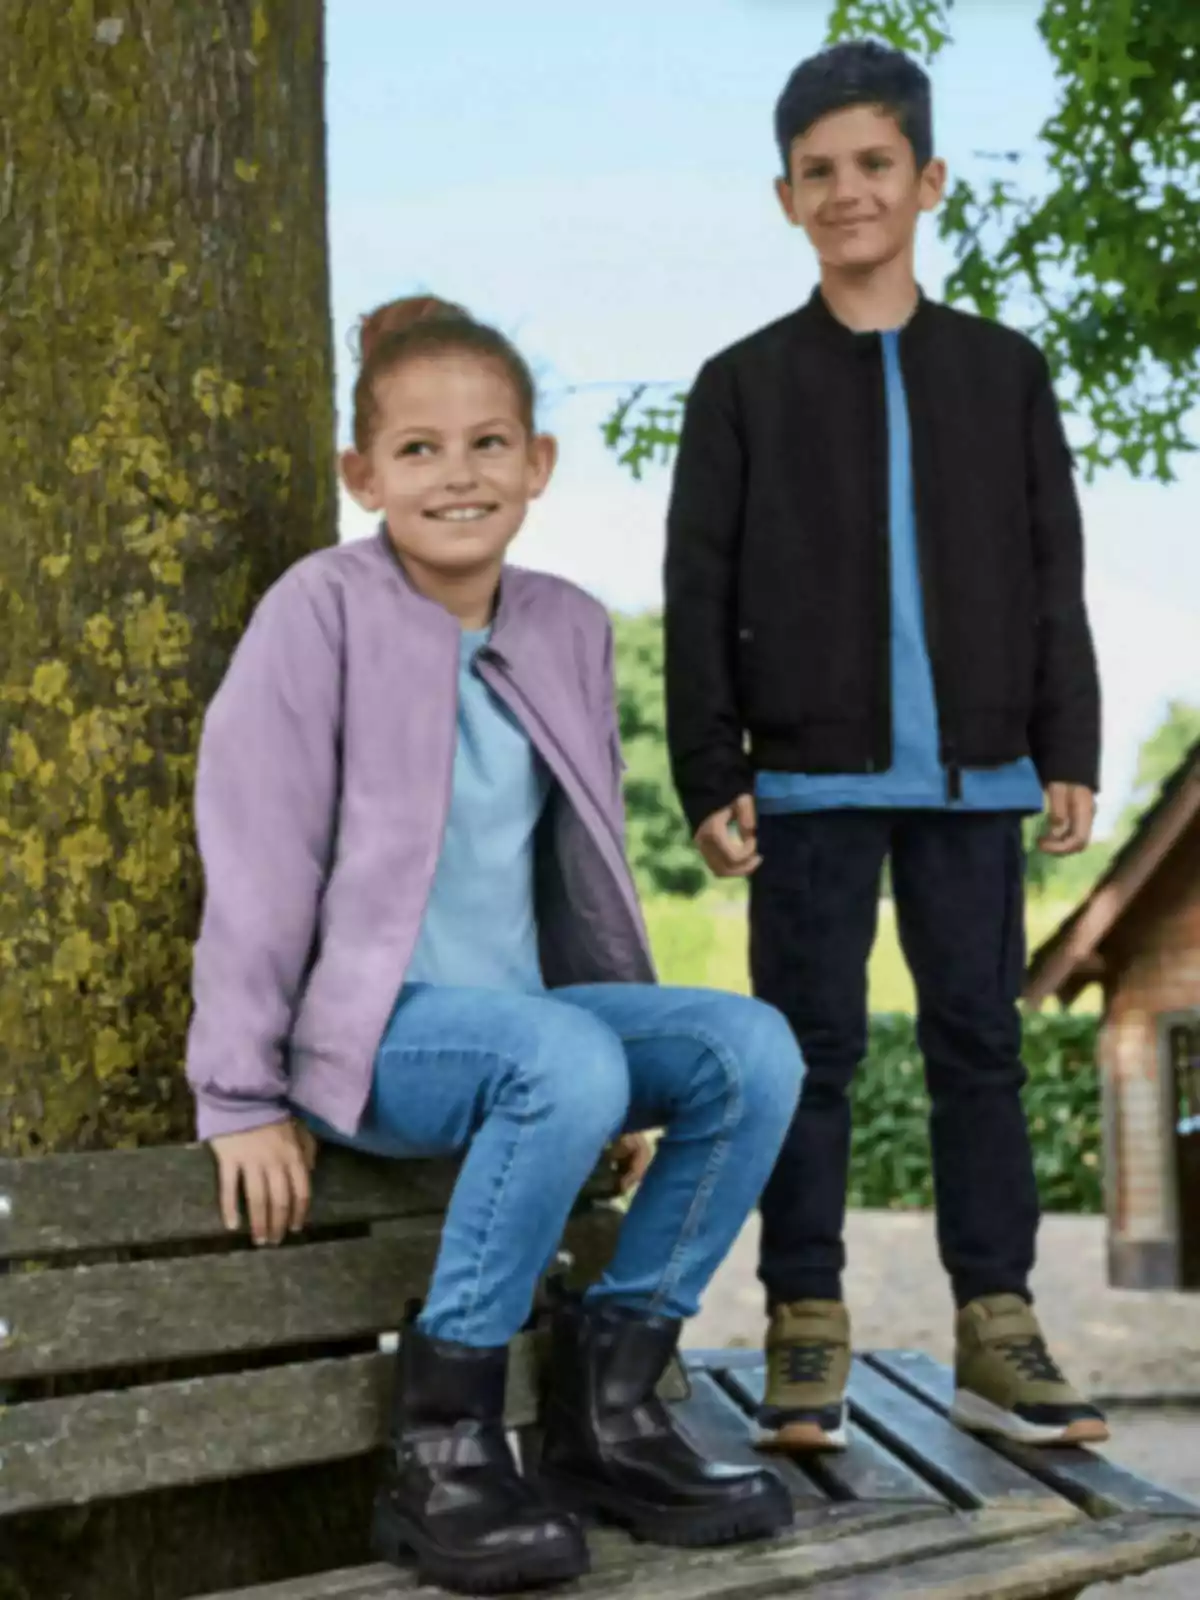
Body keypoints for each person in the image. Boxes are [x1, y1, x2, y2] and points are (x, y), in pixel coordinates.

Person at [186, 295, 803, 1595]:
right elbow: (256, 852)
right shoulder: (320, 613)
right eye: (417, 449)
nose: (455, 474)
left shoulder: (568, 626)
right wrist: (237, 1091)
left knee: (750, 1049)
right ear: (364, 475)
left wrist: (618, 1062)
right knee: (565, 1059)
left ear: (536, 465)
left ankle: (612, 1409)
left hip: (537, 1035)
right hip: (369, 1042)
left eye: (487, 444)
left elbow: (579, 863)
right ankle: (444, 1448)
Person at [663, 40, 1108, 1456]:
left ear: (926, 182)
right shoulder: (739, 386)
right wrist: (707, 772)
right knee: (811, 1052)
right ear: (784, 198)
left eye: (873, 166)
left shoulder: (1005, 372)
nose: (848, 192)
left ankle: (999, 1321)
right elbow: (699, 590)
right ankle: (806, 1318)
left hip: (979, 781)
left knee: (979, 1044)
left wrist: (1069, 739)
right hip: (803, 781)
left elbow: (1055, 573)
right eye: (818, 172)